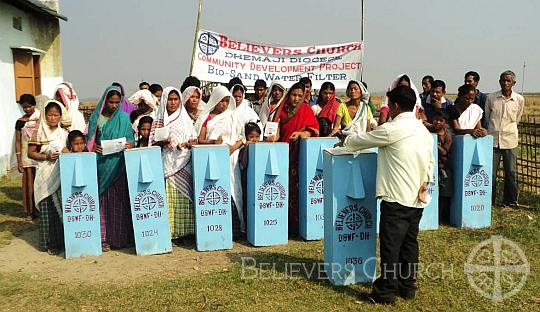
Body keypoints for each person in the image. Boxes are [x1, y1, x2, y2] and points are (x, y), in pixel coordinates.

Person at [341, 85, 434, 304]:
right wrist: (424, 187)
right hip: (417, 197)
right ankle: (407, 287)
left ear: (395, 105)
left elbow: (362, 140)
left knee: (391, 247)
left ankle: (385, 293)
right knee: (410, 244)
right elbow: (430, 162)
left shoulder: (393, 129)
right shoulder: (422, 130)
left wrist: (345, 140)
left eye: (389, 105)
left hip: (396, 197)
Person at [87, 85, 135, 251]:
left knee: (119, 203)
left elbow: (131, 139)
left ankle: (120, 238)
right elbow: (89, 141)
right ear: (105, 100)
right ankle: (103, 238)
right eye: (111, 102)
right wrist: (93, 148)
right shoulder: (96, 118)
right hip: (102, 166)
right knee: (102, 203)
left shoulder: (124, 118)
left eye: (117, 102)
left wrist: (130, 144)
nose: (114, 105)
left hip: (119, 166)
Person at [269, 82, 319, 235]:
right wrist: (272, 138)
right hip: (283, 154)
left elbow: (313, 130)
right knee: (282, 189)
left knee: (297, 190)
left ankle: (297, 225)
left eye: (299, 95)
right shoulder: (281, 111)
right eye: (293, 95)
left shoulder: (306, 110)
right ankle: (283, 222)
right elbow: (276, 131)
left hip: (298, 156)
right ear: (289, 95)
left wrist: (301, 134)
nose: (296, 98)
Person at [149, 87, 198, 245]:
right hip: (167, 162)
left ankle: (187, 232)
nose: (172, 102)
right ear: (164, 100)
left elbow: (193, 137)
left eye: (175, 99)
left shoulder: (185, 118)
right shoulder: (160, 118)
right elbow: (152, 141)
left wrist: (188, 143)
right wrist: (162, 141)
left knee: (185, 196)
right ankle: (171, 232)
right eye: (169, 99)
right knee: (170, 197)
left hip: (185, 161)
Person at [195, 85, 245, 236]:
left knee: (234, 190)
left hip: (231, 158)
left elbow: (242, 137)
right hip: (212, 159)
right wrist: (213, 143)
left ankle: (236, 229)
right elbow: (199, 140)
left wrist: (232, 147)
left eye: (226, 101)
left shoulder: (233, 116)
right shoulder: (206, 118)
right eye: (221, 101)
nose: (224, 104)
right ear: (215, 100)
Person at [28, 100, 71, 255]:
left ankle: (63, 241)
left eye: (56, 115)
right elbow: (30, 153)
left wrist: (65, 152)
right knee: (47, 209)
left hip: (60, 173)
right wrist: (45, 155)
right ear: (45, 115)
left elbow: (69, 149)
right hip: (45, 174)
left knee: (60, 208)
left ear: (60, 116)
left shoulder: (64, 133)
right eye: (50, 115)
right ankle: (49, 242)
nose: (53, 118)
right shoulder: (39, 131)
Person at [485, 70, 525, 207]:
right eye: (503, 80)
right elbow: (487, 118)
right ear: (499, 82)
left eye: (508, 81)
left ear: (513, 83)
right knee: (491, 174)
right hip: (493, 140)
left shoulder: (519, 99)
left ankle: (510, 202)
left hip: (510, 140)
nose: (505, 83)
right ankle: (489, 201)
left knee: (511, 173)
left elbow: (517, 118)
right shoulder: (491, 98)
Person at [15, 94, 38, 219]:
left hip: (40, 155)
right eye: (25, 107)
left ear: (34, 105)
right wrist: (19, 160)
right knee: (29, 184)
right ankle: (30, 211)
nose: (28, 109)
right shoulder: (20, 122)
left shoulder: (41, 119)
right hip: (27, 157)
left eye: (30, 106)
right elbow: (18, 141)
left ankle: (42, 209)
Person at [432, 109, 452, 224]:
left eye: (441, 120)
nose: (437, 122)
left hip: (443, 168)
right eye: (435, 119)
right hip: (431, 167)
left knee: (444, 194)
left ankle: (442, 218)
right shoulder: (428, 132)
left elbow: (445, 152)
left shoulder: (447, 136)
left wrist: (437, 145)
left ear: (446, 123)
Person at [239, 122, 262, 226]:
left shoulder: (261, 148)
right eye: (251, 137)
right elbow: (244, 163)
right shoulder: (243, 148)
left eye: (257, 136)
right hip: (246, 179)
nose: (254, 139)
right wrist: (247, 149)